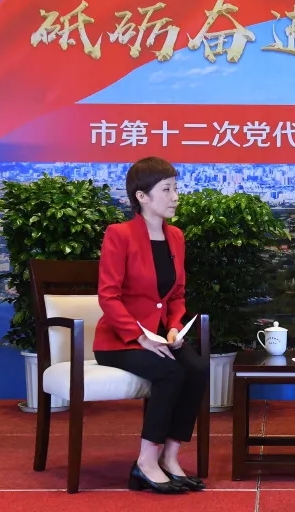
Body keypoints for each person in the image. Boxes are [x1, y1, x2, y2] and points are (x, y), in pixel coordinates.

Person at [93, 156, 209, 495]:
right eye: (167, 190)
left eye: (176, 188)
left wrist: (173, 327)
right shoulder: (119, 234)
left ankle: (170, 458)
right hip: (120, 341)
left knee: (197, 368)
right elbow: (108, 296)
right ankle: (145, 462)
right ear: (142, 196)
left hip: (160, 337)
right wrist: (139, 337)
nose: (176, 197)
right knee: (170, 372)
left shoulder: (176, 237)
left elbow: (176, 295)